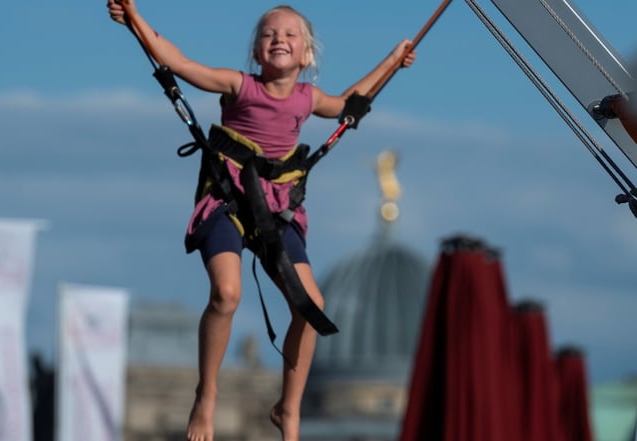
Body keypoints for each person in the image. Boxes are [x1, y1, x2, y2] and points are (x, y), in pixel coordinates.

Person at [107, 2, 416, 440]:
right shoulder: (238, 85)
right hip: (228, 200)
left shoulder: (308, 98)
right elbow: (176, 61)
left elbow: (350, 103)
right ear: (256, 51)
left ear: (306, 55)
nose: (279, 40)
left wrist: (393, 61)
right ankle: (207, 395)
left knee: (312, 308)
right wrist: (135, 18)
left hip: (276, 209)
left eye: (290, 35)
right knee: (227, 295)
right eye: (270, 34)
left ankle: (288, 410)